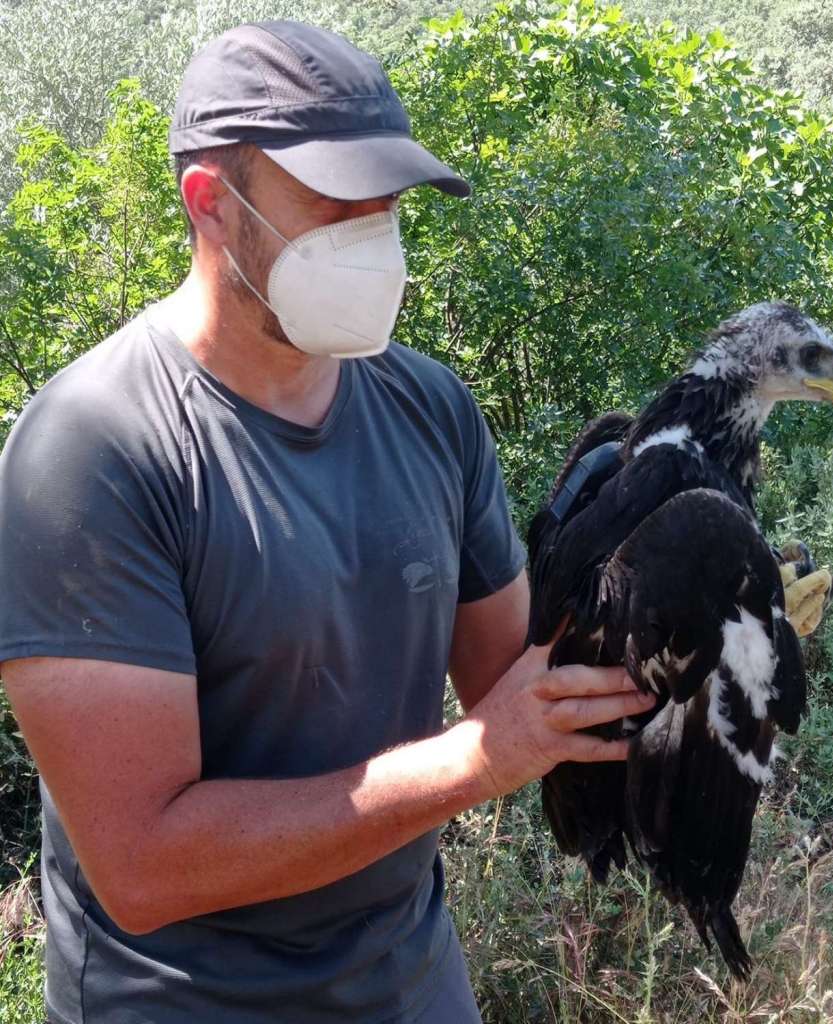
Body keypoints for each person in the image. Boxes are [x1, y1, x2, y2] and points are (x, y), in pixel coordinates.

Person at [0, 21, 657, 1024]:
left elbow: (515, 685)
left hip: (409, 982)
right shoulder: (92, 452)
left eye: (386, 205)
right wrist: (475, 756)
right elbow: (142, 865)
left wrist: (689, 615)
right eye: (335, 205)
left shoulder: (430, 411)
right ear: (211, 205)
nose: (374, 236)